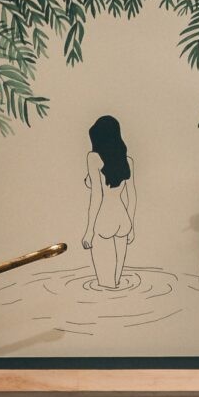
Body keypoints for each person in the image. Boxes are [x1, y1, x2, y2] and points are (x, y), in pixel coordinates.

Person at [82, 115, 137, 292]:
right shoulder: (128, 161)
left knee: (105, 286)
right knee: (116, 284)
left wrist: (89, 230)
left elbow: (96, 196)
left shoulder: (93, 158)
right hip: (123, 220)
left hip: (104, 220)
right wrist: (132, 226)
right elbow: (132, 197)